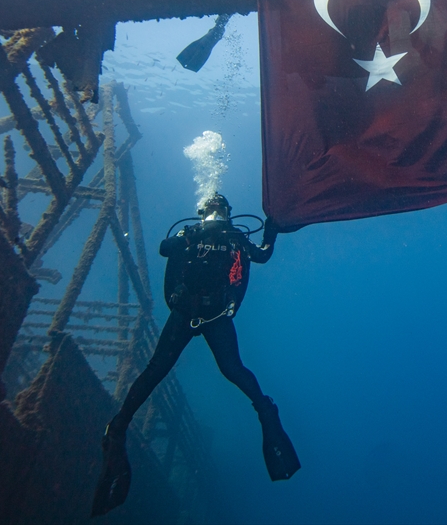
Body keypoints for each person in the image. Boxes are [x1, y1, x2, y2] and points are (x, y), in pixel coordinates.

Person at [92, 194, 299, 517]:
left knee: (233, 370)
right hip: (186, 311)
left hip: (216, 316)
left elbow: (261, 255)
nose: (217, 213)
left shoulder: (236, 237)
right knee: (156, 369)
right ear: (202, 212)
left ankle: (267, 414)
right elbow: (165, 248)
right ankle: (119, 426)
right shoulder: (191, 235)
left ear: (228, 214)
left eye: (221, 209)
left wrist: (271, 229)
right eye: (211, 208)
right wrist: (188, 235)